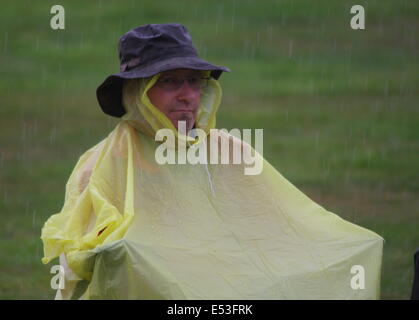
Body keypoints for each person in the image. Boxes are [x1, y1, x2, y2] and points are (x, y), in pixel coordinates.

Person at [41, 23, 383, 300]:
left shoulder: (229, 150)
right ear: (137, 91)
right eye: (169, 81)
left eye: (194, 80)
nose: (188, 94)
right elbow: (81, 262)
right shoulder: (102, 164)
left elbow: (276, 226)